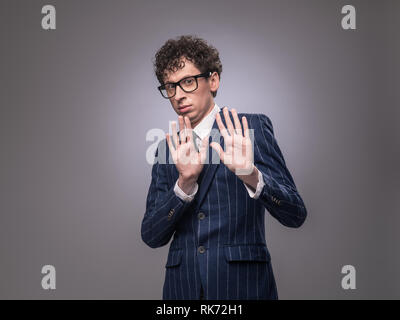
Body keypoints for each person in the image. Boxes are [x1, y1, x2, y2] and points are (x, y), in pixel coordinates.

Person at [141, 35, 307, 300]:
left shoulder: (249, 129)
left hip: (243, 289)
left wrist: (251, 175)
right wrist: (184, 185)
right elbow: (151, 235)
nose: (179, 94)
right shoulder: (165, 149)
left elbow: (295, 214)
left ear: (213, 80)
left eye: (187, 81)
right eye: (170, 86)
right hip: (182, 292)